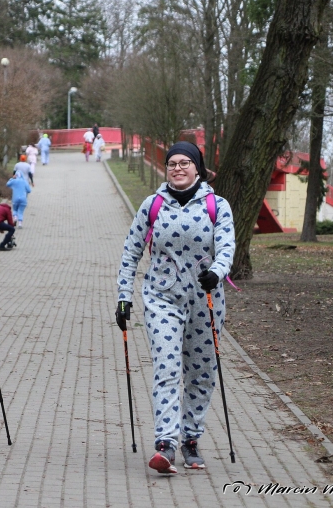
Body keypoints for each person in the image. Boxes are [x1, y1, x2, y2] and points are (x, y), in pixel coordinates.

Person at [114, 141, 235, 474]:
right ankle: (165, 443)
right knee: (166, 367)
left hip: (206, 300)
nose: (178, 168)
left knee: (202, 373)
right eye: (172, 164)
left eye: (185, 163)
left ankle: (191, 438)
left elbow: (227, 247)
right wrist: (123, 297)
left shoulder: (217, 206)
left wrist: (217, 272)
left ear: (198, 168)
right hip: (161, 296)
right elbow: (130, 253)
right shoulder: (152, 205)